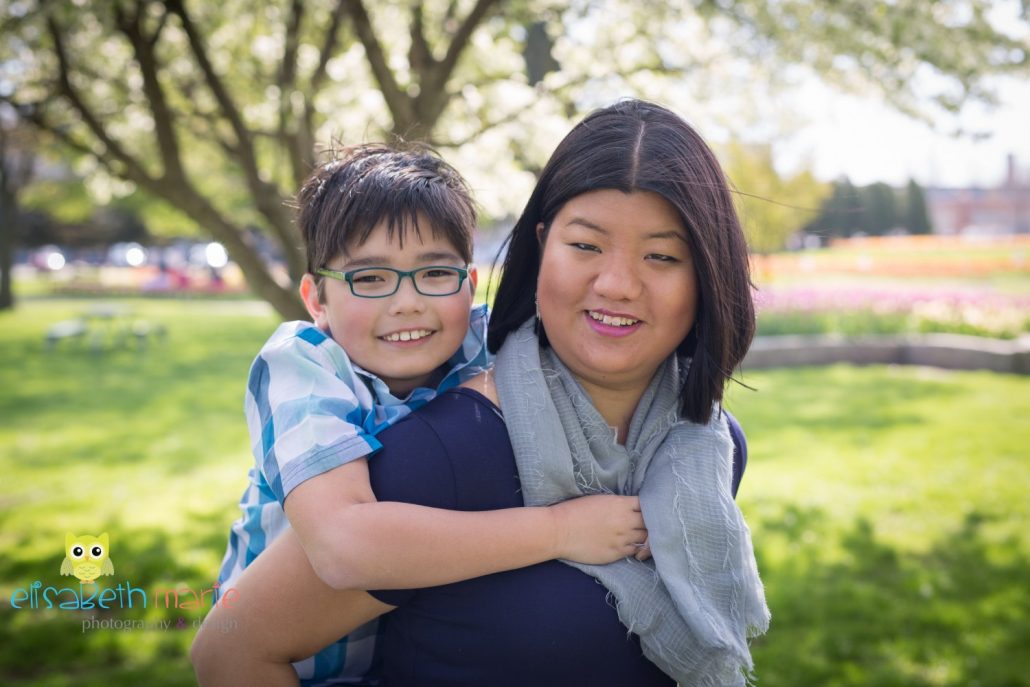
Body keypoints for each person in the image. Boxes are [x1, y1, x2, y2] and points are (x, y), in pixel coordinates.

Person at [192, 99, 769, 686]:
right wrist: (560, 530)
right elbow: (247, 634)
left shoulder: (704, 446)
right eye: (587, 246)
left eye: (662, 256)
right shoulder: (427, 439)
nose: (617, 284)